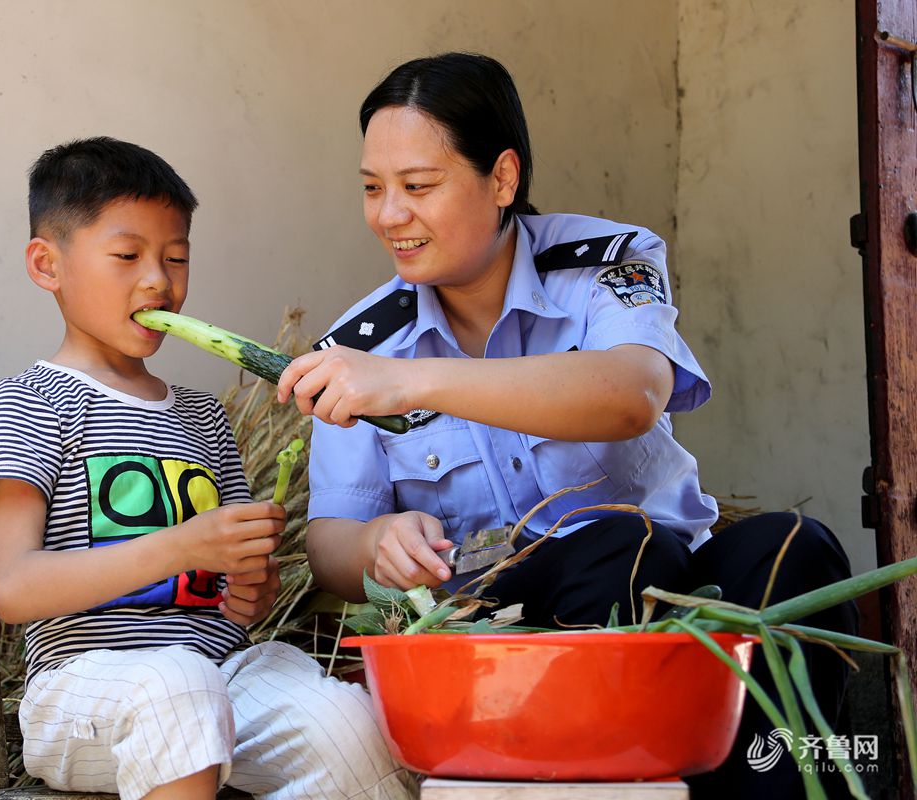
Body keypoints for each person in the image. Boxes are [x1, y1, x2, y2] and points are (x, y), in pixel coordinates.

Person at [276, 53, 857, 799]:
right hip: (511, 632)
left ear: (503, 178)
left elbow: (633, 393)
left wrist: (413, 380)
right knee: (614, 546)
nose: (390, 214)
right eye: (372, 188)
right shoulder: (360, 345)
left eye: (418, 187)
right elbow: (329, 544)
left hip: (683, 579)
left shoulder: (606, 261)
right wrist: (375, 543)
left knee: (792, 546)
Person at [0, 137, 417, 800]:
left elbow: (232, 591)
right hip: (84, 688)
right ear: (48, 265)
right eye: (127, 256)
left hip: (218, 673)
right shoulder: (32, 402)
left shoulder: (203, 417)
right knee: (179, 686)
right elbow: (12, 588)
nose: (159, 281)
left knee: (343, 723)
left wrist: (247, 587)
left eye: (176, 258)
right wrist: (179, 545)